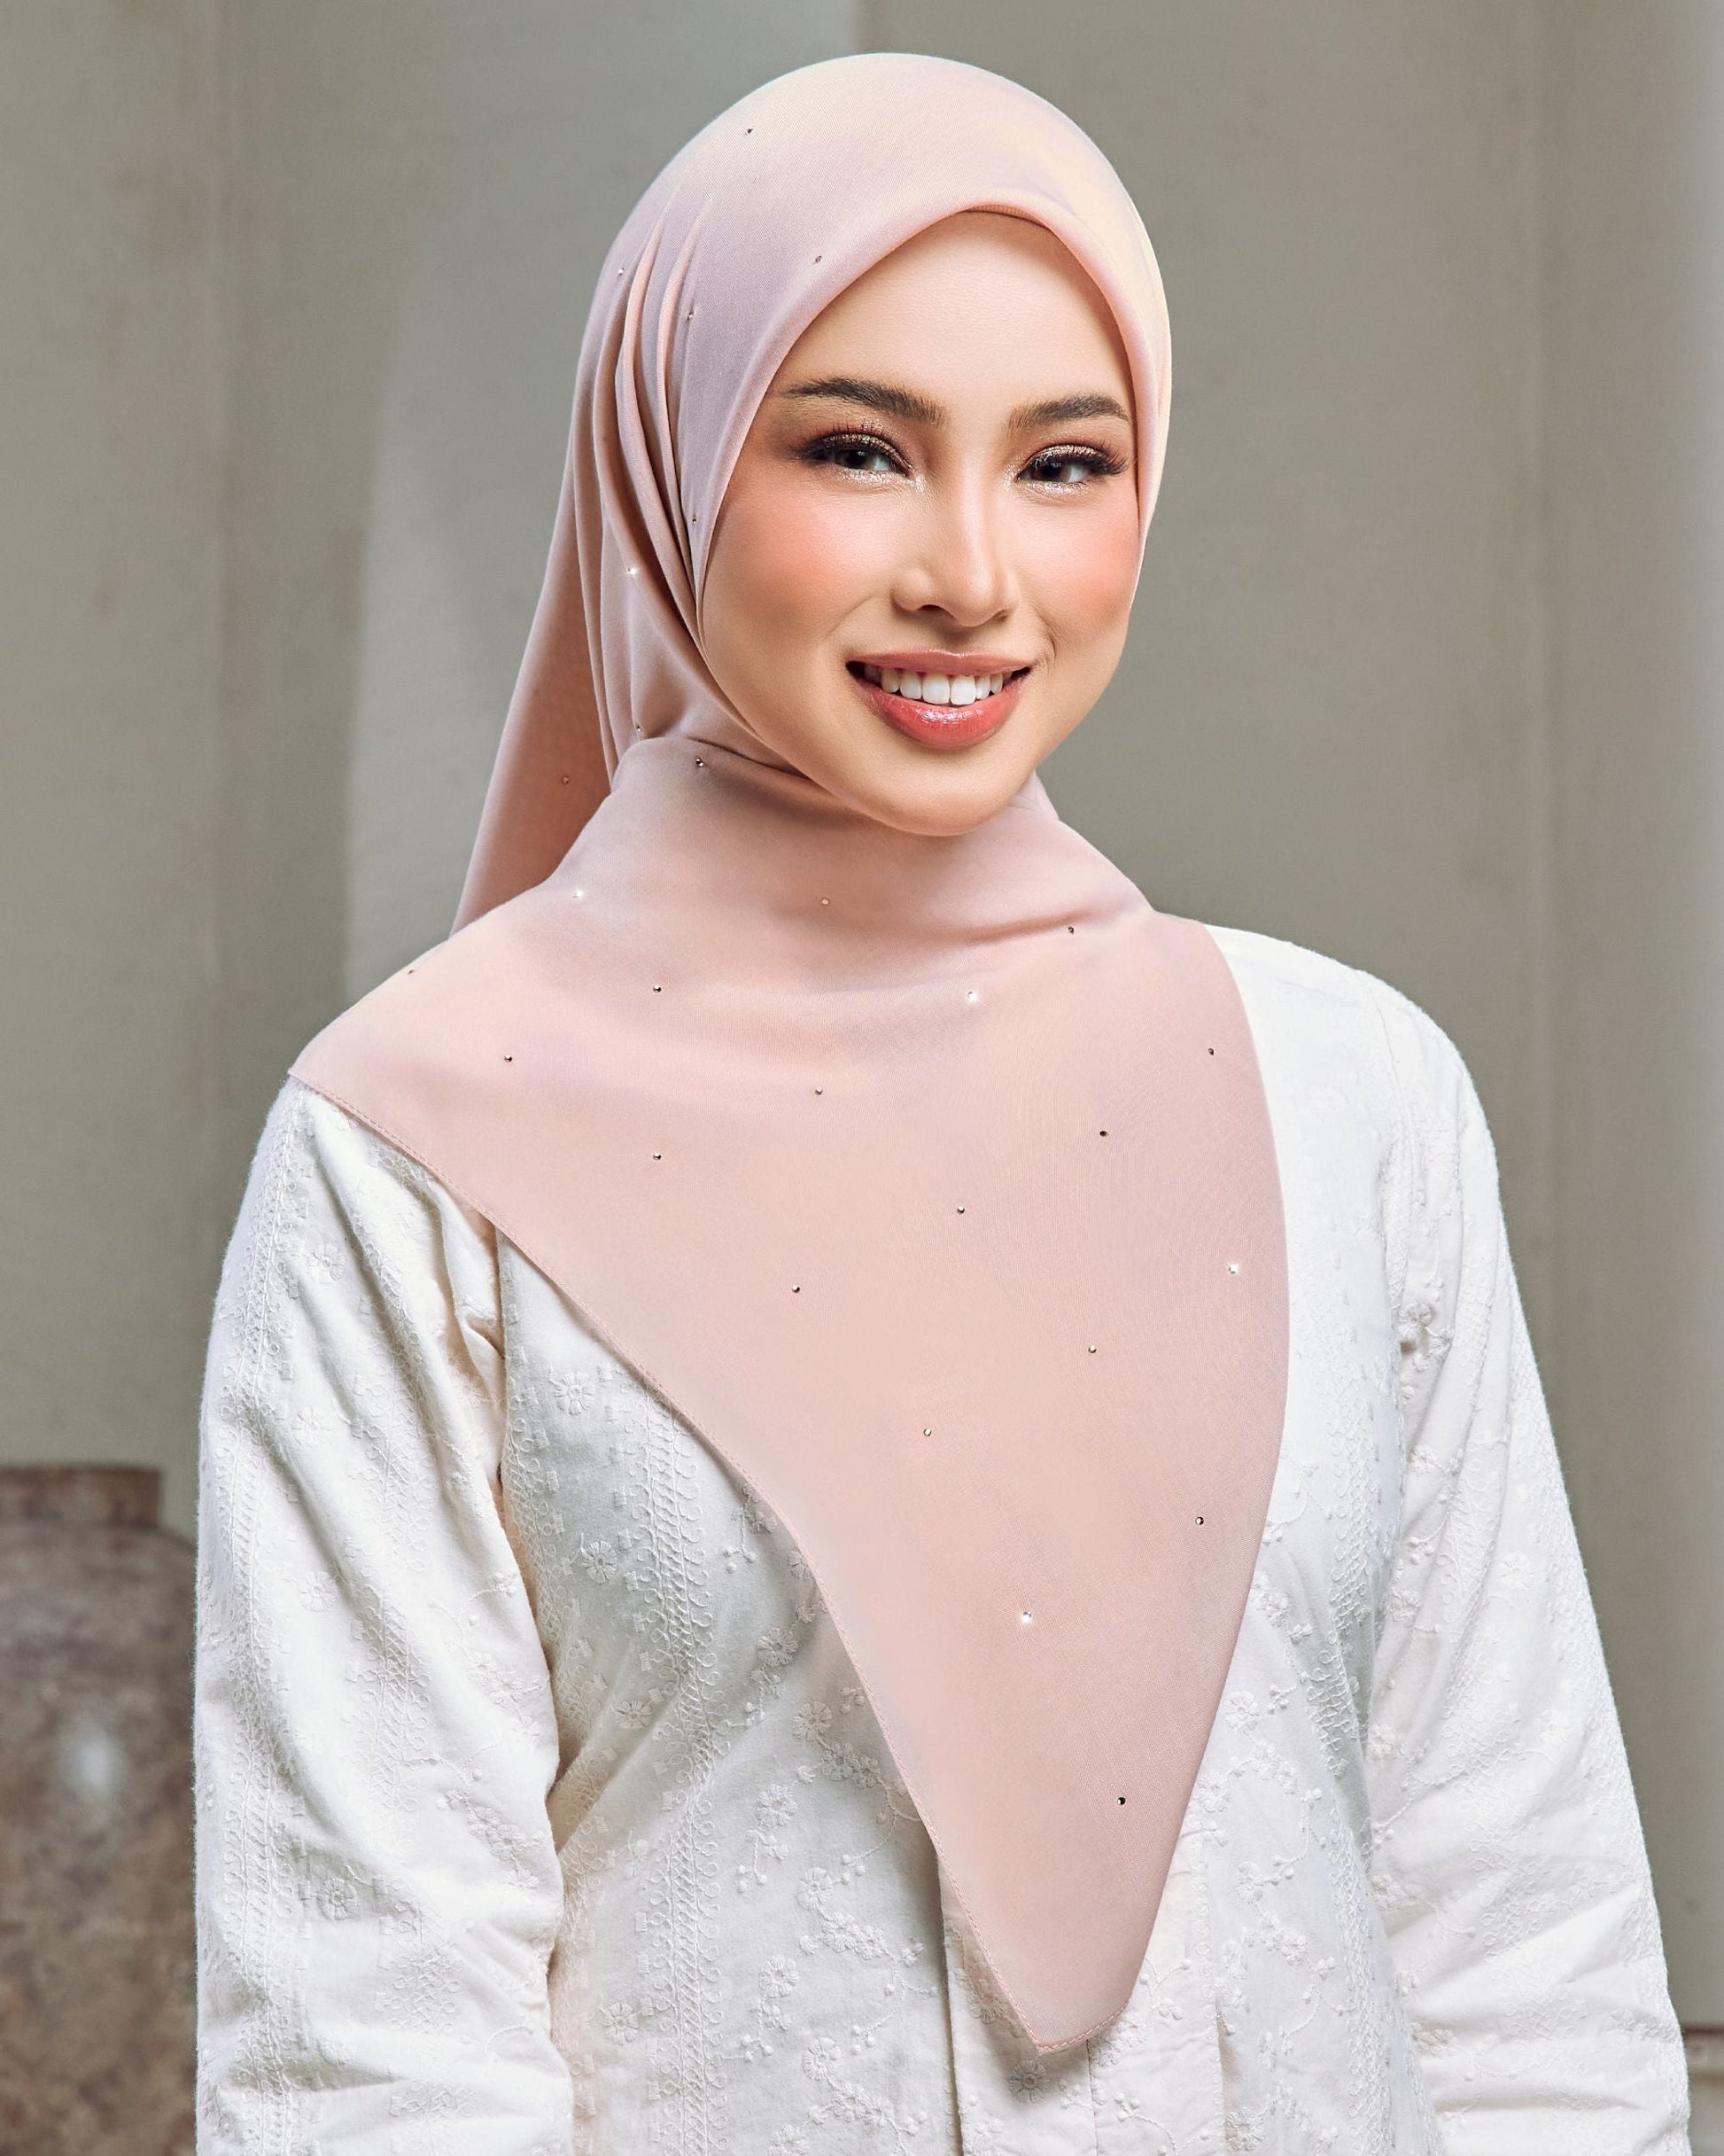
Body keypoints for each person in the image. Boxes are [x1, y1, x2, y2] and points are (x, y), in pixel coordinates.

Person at [191, 51, 1690, 2155]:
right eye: (856, 450)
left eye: (1064, 462)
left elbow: (1523, 1949)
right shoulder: (416, 1156)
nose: (971, 575)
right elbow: (370, 2051)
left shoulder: (1350, 1097)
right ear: (670, 465)